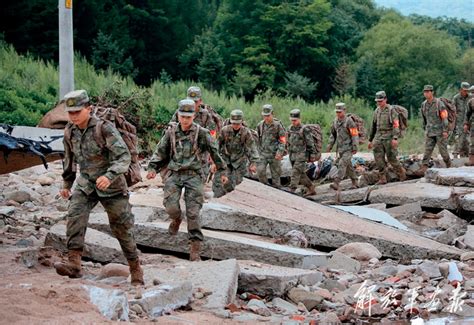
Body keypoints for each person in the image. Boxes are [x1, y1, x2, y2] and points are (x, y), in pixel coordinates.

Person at [55, 89, 143, 285]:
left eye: (78, 112)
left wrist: (110, 175)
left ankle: (135, 267)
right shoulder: (69, 131)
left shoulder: (104, 128)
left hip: (112, 186)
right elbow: (69, 161)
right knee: (75, 216)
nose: (74, 116)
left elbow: (123, 157)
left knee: (121, 228)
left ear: (89, 109)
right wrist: (67, 183)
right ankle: (74, 264)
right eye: (70, 113)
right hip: (86, 183)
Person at [146, 99, 228, 261]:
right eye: (182, 116)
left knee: (193, 213)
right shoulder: (171, 132)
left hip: (194, 176)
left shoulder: (202, 133)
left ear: (193, 116)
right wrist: (152, 168)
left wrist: (222, 170)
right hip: (175, 174)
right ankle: (176, 219)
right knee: (170, 206)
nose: (185, 120)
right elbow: (161, 151)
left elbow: (215, 152)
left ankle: (195, 248)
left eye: (188, 117)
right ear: (178, 115)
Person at [212, 110, 259, 198]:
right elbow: (216, 146)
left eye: (238, 123)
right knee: (218, 181)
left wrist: (254, 163)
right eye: (233, 123)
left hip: (239, 162)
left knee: (232, 183)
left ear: (242, 122)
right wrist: (214, 162)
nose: (235, 126)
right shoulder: (224, 130)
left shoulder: (246, 133)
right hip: (225, 159)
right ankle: (216, 198)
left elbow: (252, 147)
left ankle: (225, 196)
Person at [368, 91, 407, 184]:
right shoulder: (376, 111)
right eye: (377, 101)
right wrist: (370, 140)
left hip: (389, 136)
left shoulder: (391, 110)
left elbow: (396, 125)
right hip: (378, 137)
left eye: (380, 101)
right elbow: (373, 126)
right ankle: (382, 178)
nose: (379, 103)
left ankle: (402, 174)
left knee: (391, 158)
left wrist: (395, 138)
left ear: (385, 99)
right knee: (378, 158)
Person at [416, 85, 451, 175]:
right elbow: (424, 119)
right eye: (425, 92)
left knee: (443, 151)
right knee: (427, 150)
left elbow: (444, 118)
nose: (426, 93)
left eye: (428, 92)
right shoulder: (424, 104)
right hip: (430, 132)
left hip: (440, 132)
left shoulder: (439, 103)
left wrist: (445, 130)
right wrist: (425, 129)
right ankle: (424, 167)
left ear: (432, 92)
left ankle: (449, 165)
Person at [327, 103, 359, 190]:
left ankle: (337, 182)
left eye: (340, 112)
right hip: (340, 148)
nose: (338, 113)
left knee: (342, 163)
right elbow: (333, 135)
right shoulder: (335, 121)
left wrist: (355, 146)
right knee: (348, 166)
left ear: (344, 111)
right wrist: (330, 145)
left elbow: (354, 134)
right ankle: (355, 182)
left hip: (348, 148)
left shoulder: (349, 121)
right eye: (337, 112)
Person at [286, 109, 317, 196]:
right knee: (301, 175)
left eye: (295, 120)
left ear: (299, 119)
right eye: (292, 120)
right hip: (292, 155)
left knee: (295, 172)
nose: (293, 122)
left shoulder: (304, 129)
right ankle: (311, 188)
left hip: (301, 155)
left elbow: (310, 142)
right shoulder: (289, 128)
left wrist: (312, 154)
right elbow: (288, 141)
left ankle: (292, 189)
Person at [255, 104, 286, 187]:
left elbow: (282, 140)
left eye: (268, 115)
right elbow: (256, 139)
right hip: (262, 154)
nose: (266, 118)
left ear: (272, 113)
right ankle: (265, 188)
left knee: (276, 177)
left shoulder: (278, 125)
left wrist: (280, 152)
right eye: (264, 116)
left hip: (274, 155)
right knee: (260, 171)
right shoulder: (260, 125)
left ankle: (276, 193)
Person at [452, 82, 471, 158]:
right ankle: (455, 154)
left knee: (467, 140)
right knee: (459, 138)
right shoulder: (456, 98)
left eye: (467, 90)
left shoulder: (471, 97)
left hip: (469, 122)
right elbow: (452, 110)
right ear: (460, 90)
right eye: (464, 90)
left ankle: (465, 155)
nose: (466, 92)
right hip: (459, 122)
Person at [463, 96, 474, 166]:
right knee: (472, 142)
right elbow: (467, 114)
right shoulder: (471, 101)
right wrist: (465, 124)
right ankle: (472, 160)